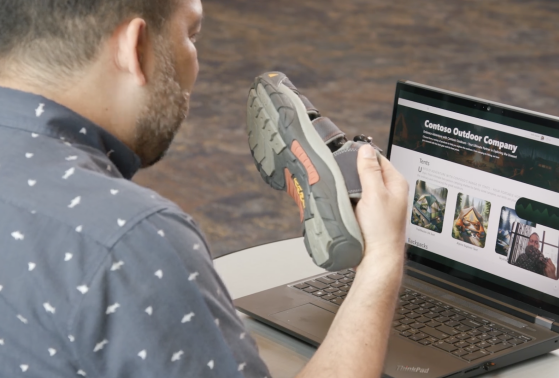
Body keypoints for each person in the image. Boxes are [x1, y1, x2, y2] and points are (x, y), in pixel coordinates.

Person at [0, 1, 409, 377]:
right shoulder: (129, 239)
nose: (196, 64)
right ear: (134, 46)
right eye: (190, 36)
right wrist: (381, 261)